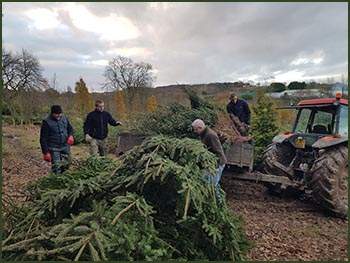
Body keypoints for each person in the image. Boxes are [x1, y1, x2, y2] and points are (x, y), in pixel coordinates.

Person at [192, 119, 227, 202]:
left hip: (217, 163)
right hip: (211, 163)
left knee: (212, 185)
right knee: (213, 183)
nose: (194, 131)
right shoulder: (203, 134)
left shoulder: (210, 135)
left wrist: (213, 166)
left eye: (195, 129)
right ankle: (219, 201)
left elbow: (218, 152)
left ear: (200, 127)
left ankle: (217, 202)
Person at [40, 105, 74, 174]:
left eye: (60, 114)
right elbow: (43, 138)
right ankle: (57, 179)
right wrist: (46, 152)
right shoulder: (46, 122)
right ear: (52, 113)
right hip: (54, 148)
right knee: (56, 166)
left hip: (65, 146)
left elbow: (70, 128)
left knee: (67, 164)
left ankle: (64, 177)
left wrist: (71, 136)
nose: (59, 116)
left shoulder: (64, 118)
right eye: (56, 114)